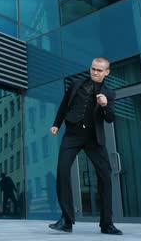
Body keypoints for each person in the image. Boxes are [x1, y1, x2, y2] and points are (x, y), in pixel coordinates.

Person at [48, 57, 122, 235]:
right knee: (62, 173)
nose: (95, 72)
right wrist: (56, 124)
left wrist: (104, 106)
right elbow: (64, 105)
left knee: (105, 176)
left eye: (99, 70)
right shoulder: (76, 84)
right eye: (93, 68)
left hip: (93, 139)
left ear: (107, 72)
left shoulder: (109, 94)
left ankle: (107, 224)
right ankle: (66, 220)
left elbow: (110, 119)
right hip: (72, 136)